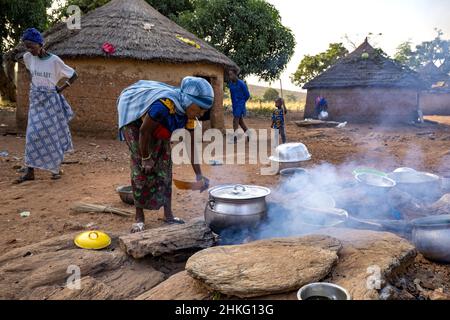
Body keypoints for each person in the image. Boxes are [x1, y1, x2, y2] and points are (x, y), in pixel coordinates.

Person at [117, 76, 213, 233]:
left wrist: (199, 175)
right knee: (141, 170)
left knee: (165, 166)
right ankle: (139, 218)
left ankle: (168, 215)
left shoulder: (188, 114)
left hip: (158, 126)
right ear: (189, 101)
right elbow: (144, 131)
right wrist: (146, 158)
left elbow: (191, 145)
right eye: (200, 108)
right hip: (136, 125)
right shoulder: (164, 106)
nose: (201, 114)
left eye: (204, 110)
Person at [15, 28, 78, 184]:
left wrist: (61, 88)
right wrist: (36, 87)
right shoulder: (28, 57)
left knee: (52, 135)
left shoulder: (54, 60)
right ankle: (30, 171)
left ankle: (55, 169)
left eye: (31, 46)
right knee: (32, 134)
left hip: (50, 102)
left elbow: (74, 75)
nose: (29, 49)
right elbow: (32, 74)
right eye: (27, 46)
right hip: (36, 101)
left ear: (40, 44)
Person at [227, 69, 250, 143]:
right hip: (235, 104)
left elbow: (247, 95)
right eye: (229, 75)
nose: (230, 76)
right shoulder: (230, 83)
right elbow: (231, 94)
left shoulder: (241, 83)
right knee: (240, 122)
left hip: (240, 104)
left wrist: (242, 102)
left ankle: (235, 138)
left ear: (235, 74)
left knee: (235, 120)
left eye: (231, 74)